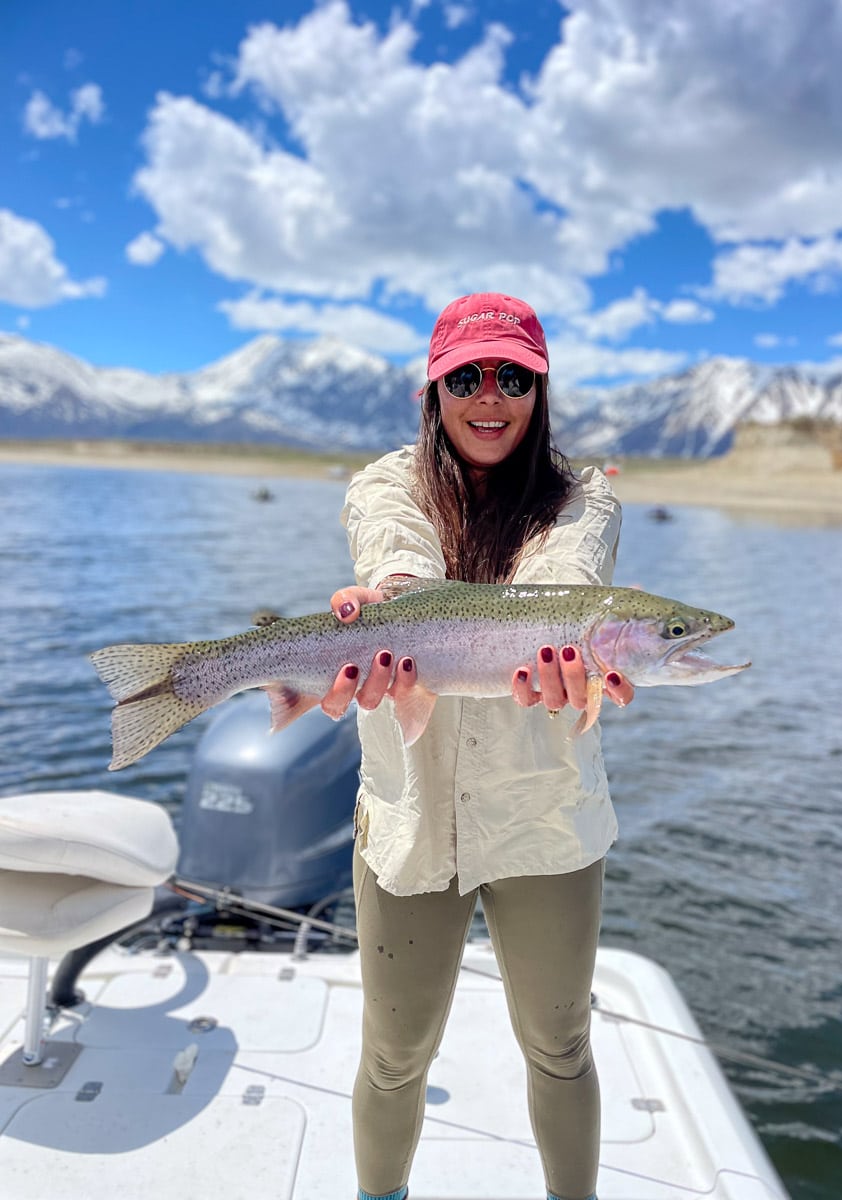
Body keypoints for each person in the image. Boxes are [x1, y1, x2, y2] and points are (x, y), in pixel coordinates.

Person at [322, 293, 633, 1200]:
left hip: (546, 818)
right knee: (392, 1055)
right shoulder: (386, 481)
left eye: (512, 377)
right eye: (466, 375)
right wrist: (396, 606)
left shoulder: (585, 496)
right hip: (411, 814)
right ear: (434, 389)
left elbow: (564, 582)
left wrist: (562, 650)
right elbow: (397, 549)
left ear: (540, 390)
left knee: (562, 1047)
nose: (488, 396)